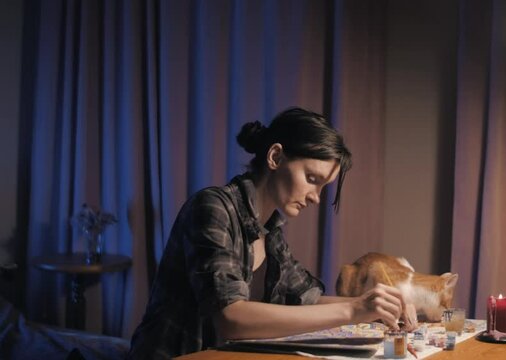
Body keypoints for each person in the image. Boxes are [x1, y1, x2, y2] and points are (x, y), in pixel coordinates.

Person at [127, 107, 412, 359]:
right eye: (312, 179)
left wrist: (378, 306)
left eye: (323, 187)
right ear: (275, 156)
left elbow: (307, 298)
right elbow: (230, 316)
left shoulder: (270, 231)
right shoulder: (212, 207)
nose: (315, 198)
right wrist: (354, 310)